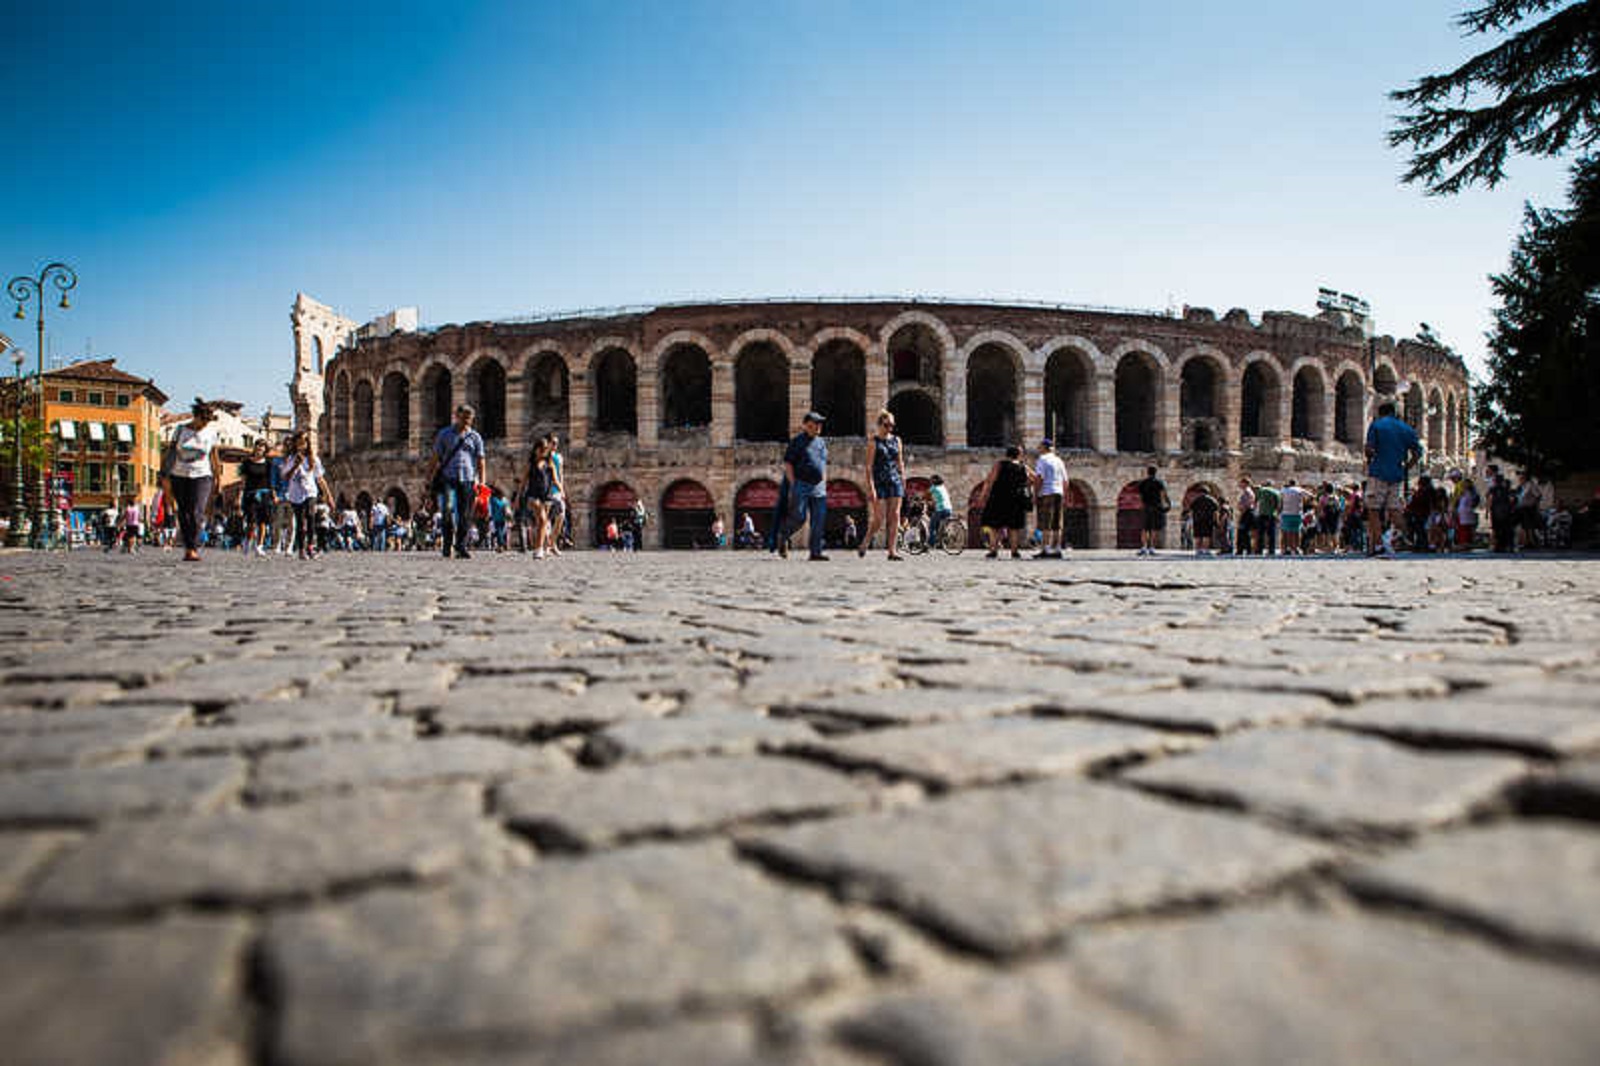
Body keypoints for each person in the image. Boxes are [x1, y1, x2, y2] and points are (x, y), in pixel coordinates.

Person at [159, 399, 223, 563]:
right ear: (196, 416)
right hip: (179, 476)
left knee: (197, 512)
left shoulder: (211, 432)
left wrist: (218, 480)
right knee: (184, 513)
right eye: (203, 420)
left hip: (202, 476)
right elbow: (171, 453)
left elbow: (214, 458)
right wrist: (164, 474)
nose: (204, 424)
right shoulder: (180, 431)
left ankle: (193, 547)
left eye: (208, 421)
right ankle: (188, 547)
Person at [1363, 400, 1423, 557]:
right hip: (1397, 473)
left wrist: (1369, 459)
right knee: (1394, 509)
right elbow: (1417, 453)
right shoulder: (1406, 428)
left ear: (1381, 412)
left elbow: (1369, 449)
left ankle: (1378, 545)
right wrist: (1406, 468)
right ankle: (1409, 538)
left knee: (1373, 509)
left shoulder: (1377, 425)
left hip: (1378, 472)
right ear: (1394, 413)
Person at [428, 404, 487, 560]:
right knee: (447, 511)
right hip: (448, 478)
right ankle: (447, 543)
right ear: (457, 416)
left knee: (465, 515)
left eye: (470, 418)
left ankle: (460, 546)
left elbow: (481, 461)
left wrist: (482, 482)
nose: (467, 421)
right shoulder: (445, 434)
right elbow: (435, 458)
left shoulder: (475, 437)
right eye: (464, 417)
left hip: (468, 479)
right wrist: (429, 478)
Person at [780, 411, 830, 560]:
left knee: (818, 520)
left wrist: (824, 482)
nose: (819, 426)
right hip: (801, 484)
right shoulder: (797, 442)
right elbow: (788, 463)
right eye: (817, 423)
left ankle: (815, 552)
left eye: (820, 423)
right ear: (808, 425)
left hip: (818, 487)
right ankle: (783, 536)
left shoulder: (821, 442)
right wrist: (793, 483)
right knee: (799, 517)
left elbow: (822, 464)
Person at [860, 409, 907, 560]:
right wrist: (871, 487)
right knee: (879, 518)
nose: (890, 428)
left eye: (892, 425)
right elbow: (868, 466)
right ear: (880, 425)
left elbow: (900, 461)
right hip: (879, 481)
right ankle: (866, 541)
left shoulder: (897, 440)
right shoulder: (873, 442)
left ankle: (892, 551)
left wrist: (903, 477)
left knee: (895, 516)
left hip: (894, 480)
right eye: (887, 425)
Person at [281, 432, 332, 559]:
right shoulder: (291, 459)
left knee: (310, 517)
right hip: (295, 494)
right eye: (298, 443)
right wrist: (296, 465)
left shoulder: (313, 459)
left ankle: (310, 546)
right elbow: (285, 477)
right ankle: (301, 549)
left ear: (307, 444)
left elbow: (320, 479)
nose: (301, 446)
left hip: (310, 492)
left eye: (303, 443)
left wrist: (328, 495)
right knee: (300, 522)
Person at [978, 445, 1031, 559]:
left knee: (995, 526)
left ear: (1006, 454)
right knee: (1014, 527)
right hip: (1016, 499)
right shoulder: (1023, 467)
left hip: (998, 498)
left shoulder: (1000, 464)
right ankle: (1014, 551)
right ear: (1018, 455)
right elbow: (1032, 479)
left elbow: (990, 481)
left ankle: (993, 550)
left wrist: (983, 496)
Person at [1031, 439, 1068, 559]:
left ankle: (1045, 549)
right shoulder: (1059, 460)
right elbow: (1065, 481)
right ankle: (1056, 548)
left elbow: (1039, 478)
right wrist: (1064, 494)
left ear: (1043, 448)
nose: (1038, 449)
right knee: (1057, 523)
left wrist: (1035, 494)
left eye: (1039, 447)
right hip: (1059, 492)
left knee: (1045, 522)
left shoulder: (1042, 460)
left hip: (1046, 493)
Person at [1135, 465, 1171, 556]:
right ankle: (1151, 547)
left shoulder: (1143, 483)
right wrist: (1168, 503)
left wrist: (1141, 505)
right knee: (1153, 528)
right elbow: (1163, 494)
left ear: (1147, 472)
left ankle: (1143, 547)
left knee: (1144, 528)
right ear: (1156, 472)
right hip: (1156, 507)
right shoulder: (1159, 482)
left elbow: (1139, 495)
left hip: (1146, 506)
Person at [1279, 478, 1307, 555]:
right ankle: (1296, 548)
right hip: (1297, 513)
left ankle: (1287, 548)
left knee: (1286, 531)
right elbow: (1311, 496)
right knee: (1297, 531)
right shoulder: (1299, 490)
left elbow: (1280, 501)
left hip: (1286, 513)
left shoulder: (1284, 490)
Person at [1189, 484, 1219, 556]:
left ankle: (1198, 550)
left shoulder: (1196, 500)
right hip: (1208, 520)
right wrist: (1216, 521)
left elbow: (1191, 510)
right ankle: (1205, 549)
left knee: (1198, 535)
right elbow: (1215, 511)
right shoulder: (1212, 500)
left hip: (1197, 520)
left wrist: (1191, 520)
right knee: (1206, 535)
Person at [928, 474, 954, 547]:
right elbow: (940, 498)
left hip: (941, 509)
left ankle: (930, 544)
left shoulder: (933, 488)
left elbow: (926, 495)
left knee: (932, 526)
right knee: (939, 525)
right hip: (949, 509)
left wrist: (919, 499)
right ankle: (941, 540)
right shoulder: (943, 487)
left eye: (931, 480)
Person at [1234, 476, 1257, 555]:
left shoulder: (1247, 492)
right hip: (1246, 512)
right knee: (1244, 532)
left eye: (1241, 483)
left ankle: (1244, 549)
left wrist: (1241, 513)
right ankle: (1245, 549)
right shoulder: (1247, 491)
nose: (1240, 484)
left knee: (1243, 532)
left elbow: (1247, 504)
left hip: (1246, 513)